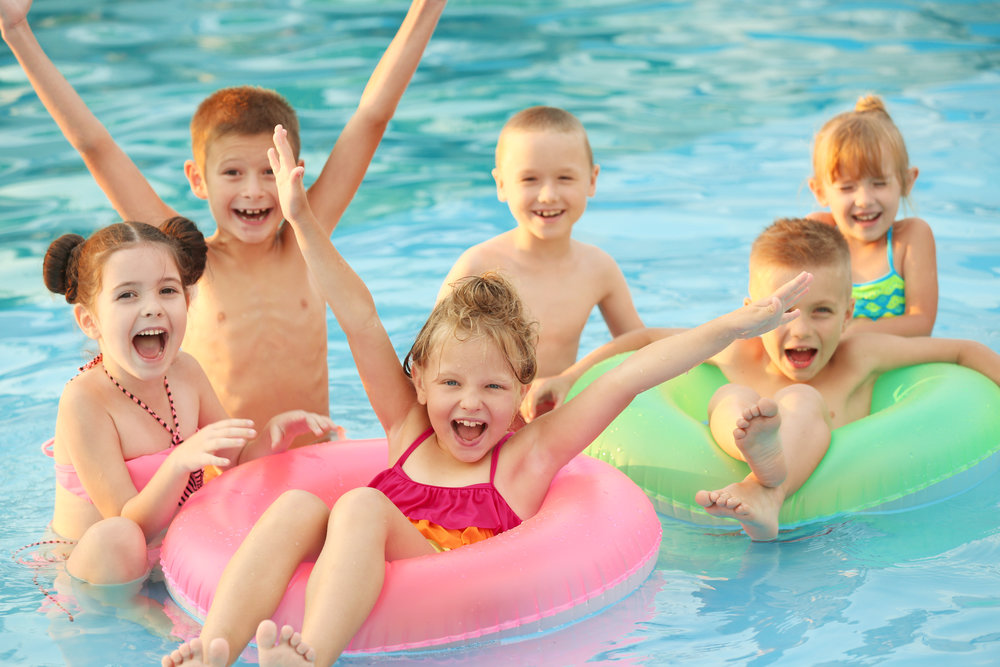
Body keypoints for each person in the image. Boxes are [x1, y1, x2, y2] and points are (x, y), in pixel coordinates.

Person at [158, 126, 811, 667]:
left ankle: (314, 656)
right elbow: (357, 313)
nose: (469, 404)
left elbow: (628, 374)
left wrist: (735, 324)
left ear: (522, 390)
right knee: (299, 503)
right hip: (370, 553)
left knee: (356, 505)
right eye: (450, 384)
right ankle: (216, 647)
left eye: (494, 387)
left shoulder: (527, 458)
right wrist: (300, 218)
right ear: (419, 381)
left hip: (456, 597)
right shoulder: (407, 427)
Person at [1, 0, 446, 442]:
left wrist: (427, 7)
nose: (253, 189)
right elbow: (97, 147)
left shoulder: (306, 239)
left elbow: (371, 118)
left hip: (315, 461)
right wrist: (16, 30)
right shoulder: (185, 263)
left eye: (270, 171)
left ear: (295, 172)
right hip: (227, 478)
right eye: (233, 172)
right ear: (198, 180)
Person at [524, 218, 1000, 541]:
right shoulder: (735, 350)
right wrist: (570, 376)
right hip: (746, 522)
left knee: (801, 400)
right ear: (753, 311)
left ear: (849, 314)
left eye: (823, 312)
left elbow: (964, 351)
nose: (801, 329)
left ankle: (768, 481)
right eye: (782, 311)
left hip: (837, 526)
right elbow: (644, 339)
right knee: (730, 396)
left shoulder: (861, 354)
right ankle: (761, 461)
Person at [42, 218, 337, 586]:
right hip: (96, 576)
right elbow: (131, 525)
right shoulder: (84, 400)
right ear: (90, 321)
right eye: (127, 295)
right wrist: (180, 461)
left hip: (175, 557)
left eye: (167, 290)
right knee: (115, 536)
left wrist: (272, 438)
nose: (152, 307)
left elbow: (235, 461)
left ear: (188, 299)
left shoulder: (186, 372)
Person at [437, 106, 643, 416]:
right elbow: (434, 359)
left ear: (592, 179)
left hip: (556, 418)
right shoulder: (478, 266)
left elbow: (638, 347)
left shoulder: (599, 268)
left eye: (564, 178)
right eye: (530, 179)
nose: (547, 195)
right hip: (487, 421)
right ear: (502, 184)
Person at [807, 94, 937, 336]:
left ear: (907, 182)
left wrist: (855, 332)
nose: (865, 200)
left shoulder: (909, 240)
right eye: (847, 187)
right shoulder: (818, 235)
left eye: (879, 183)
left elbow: (921, 323)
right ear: (820, 191)